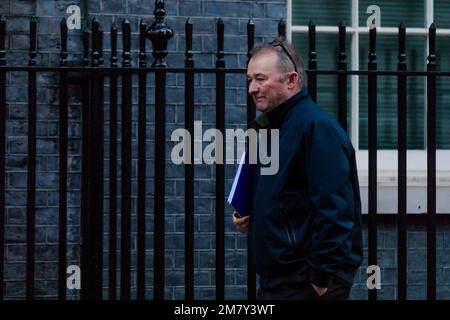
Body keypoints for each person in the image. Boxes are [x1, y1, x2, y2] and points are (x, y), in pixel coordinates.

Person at [232, 38, 363, 300]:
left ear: (291, 80)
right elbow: (285, 196)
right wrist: (250, 216)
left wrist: (321, 278)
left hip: (305, 282)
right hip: (278, 282)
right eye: (250, 80)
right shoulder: (269, 128)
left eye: (260, 79)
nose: (252, 88)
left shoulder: (316, 127)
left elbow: (335, 208)